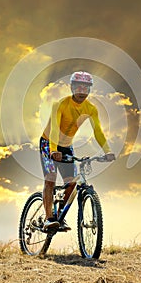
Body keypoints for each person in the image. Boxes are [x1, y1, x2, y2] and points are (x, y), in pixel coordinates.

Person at [40, 71, 115, 231]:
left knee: (71, 183)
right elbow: (54, 129)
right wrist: (53, 150)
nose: (82, 91)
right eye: (78, 86)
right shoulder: (60, 104)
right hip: (49, 143)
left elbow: (98, 131)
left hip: (66, 146)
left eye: (86, 87)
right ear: (72, 87)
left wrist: (107, 151)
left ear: (90, 89)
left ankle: (59, 218)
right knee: (51, 178)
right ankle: (48, 218)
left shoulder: (91, 108)